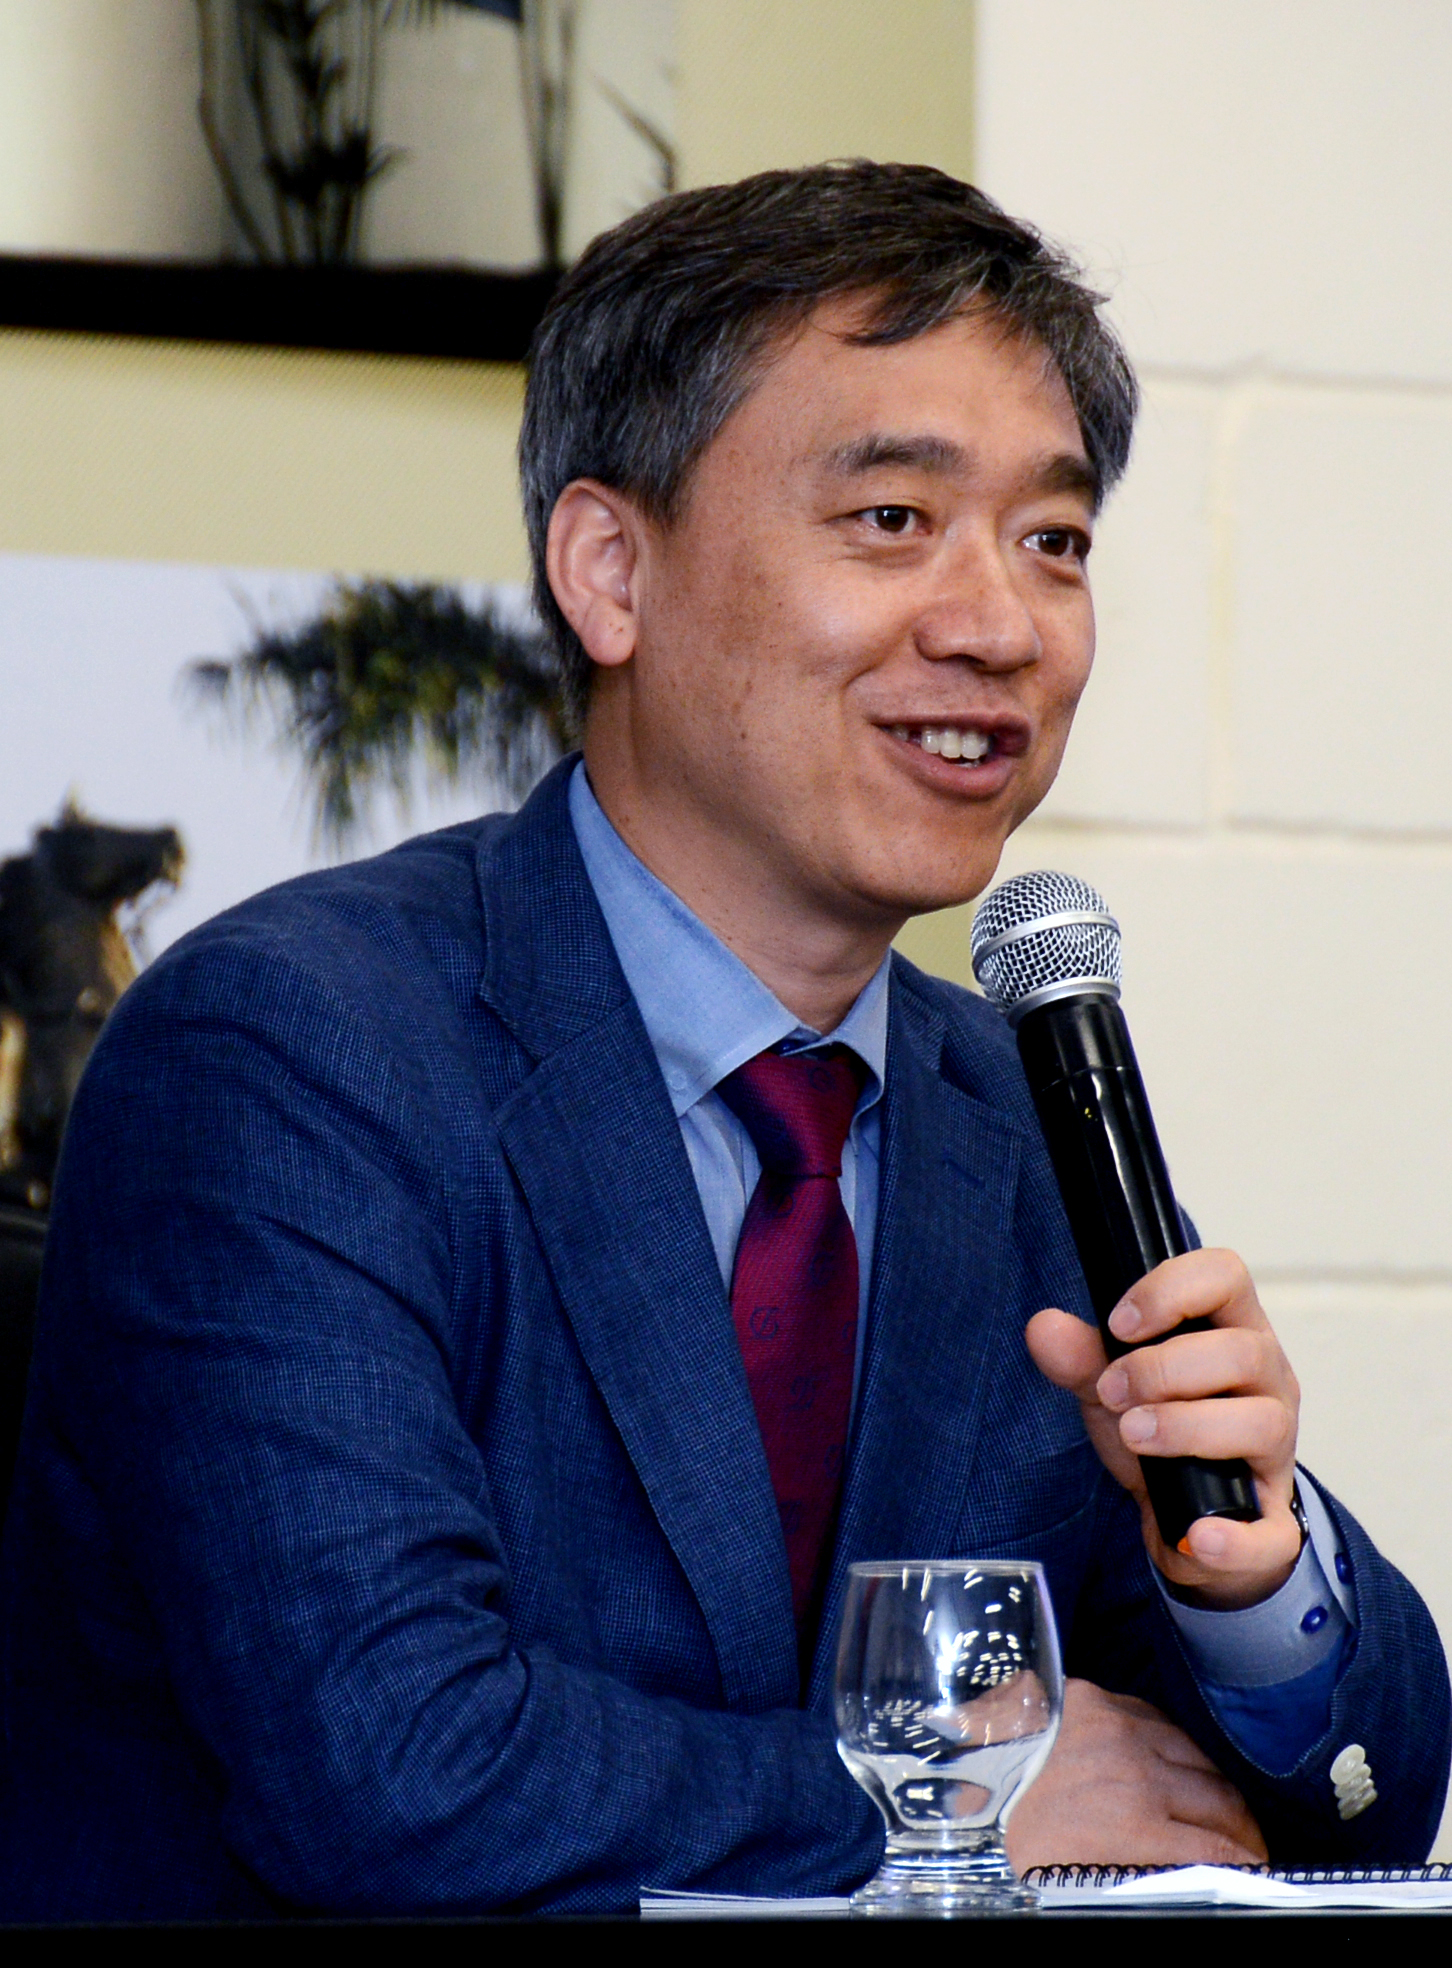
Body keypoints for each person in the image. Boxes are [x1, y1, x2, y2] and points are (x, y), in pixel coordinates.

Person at [2, 163, 1446, 1921]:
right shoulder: (291, 1054)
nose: (999, 625)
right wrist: (945, 1794)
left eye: (1054, 542)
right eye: (894, 519)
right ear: (611, 572)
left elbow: (1362, 1804)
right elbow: (394, 1770)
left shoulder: (1012, 1104)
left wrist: (1249, 1580)